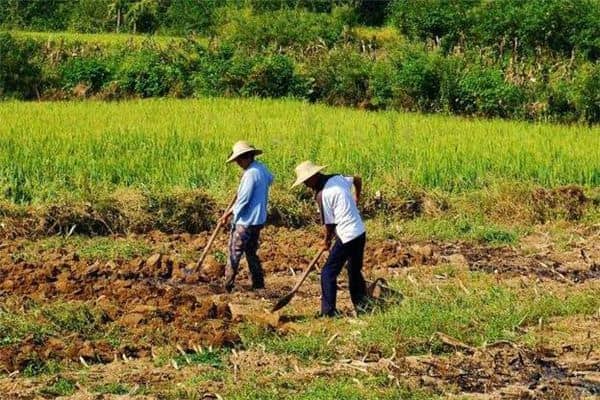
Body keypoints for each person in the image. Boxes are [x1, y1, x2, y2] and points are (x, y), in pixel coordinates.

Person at [292, 161, 368, 317]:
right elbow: (357, 179)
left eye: (306, 181)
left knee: (328, 272)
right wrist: (356, 198)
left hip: (347, 235)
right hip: (360, 231)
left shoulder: (323, 194)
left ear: (314, 176)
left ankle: (328, 312)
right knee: (354, 271)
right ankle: (362, 307)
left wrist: (326, 241)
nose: (306, 185)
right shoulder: (338, 178)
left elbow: (329, 224)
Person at [219, 141, 273, 292]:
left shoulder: (250, 174)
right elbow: (270, 179)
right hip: (259, 219)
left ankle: (227, 285)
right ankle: (258, 284)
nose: (237, 164)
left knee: (234, 251)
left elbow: (243, 200)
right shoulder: (261, 168)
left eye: (238, 160)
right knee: (251, 252)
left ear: (245, 158)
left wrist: (227, 214)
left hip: (245, 221)